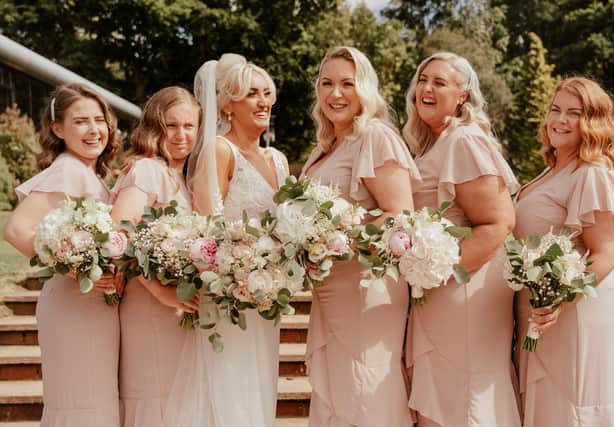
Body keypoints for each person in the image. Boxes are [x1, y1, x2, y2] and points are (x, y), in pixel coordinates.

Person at [164, 53, 288, 427]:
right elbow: (207, 227)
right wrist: (240, 267)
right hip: (227, 295)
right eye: (251, 94)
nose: (263, 101)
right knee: (228, 390)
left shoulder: (278, 159)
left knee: (259, 388)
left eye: (267, 93)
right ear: (228, 105)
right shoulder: (220, 150)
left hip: (266, 297)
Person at [301, 46, 420, 426]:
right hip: (331, 291)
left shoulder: (376, 137)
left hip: (367, 290)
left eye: (347, 84)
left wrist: (334, 241)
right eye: (327, 83)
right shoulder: (323, 149)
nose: (335, 94)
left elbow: (400, 215)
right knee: (340, 393)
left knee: (366, 390)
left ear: (365, 89)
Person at [513, 77, 614, 427]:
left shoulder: (592, 174)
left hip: (579, 309)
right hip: (544, 309)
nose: (560, 120)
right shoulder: (552, 169)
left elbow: (607, 252)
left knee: (577, 406)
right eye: (555, 110)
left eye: (574, 113)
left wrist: (559, 301)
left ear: (593, 123)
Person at [403, 52, 521, 426]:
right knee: (444, 393)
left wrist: (441, 271)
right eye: (423, 80)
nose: (426, 88)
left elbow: (498, 223)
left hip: (466, 290)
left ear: (463, 95)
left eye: (439, 82)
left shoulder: (464, 141)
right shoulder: (435, 143)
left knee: (465, 395)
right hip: (440, 289)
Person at [3, 83, 121, 426]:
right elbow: (15, 230)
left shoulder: (88, 173)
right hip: (74, 305)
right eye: (81, 121)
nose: (94, 129)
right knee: (80, 402)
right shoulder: (68, 169)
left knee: (91, 400)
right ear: (57, 128)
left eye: (99, 119)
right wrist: (74, 270)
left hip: (92, 305)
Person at [110, 86, 201, 426]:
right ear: (154, 128)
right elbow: (120, 232)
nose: (181, 135)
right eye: (171, 126)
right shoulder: (148, 170)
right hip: (149, 307)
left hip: (178, 311)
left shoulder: (186, 177)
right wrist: (160, 291)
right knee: (154, 399)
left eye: (189, 126)